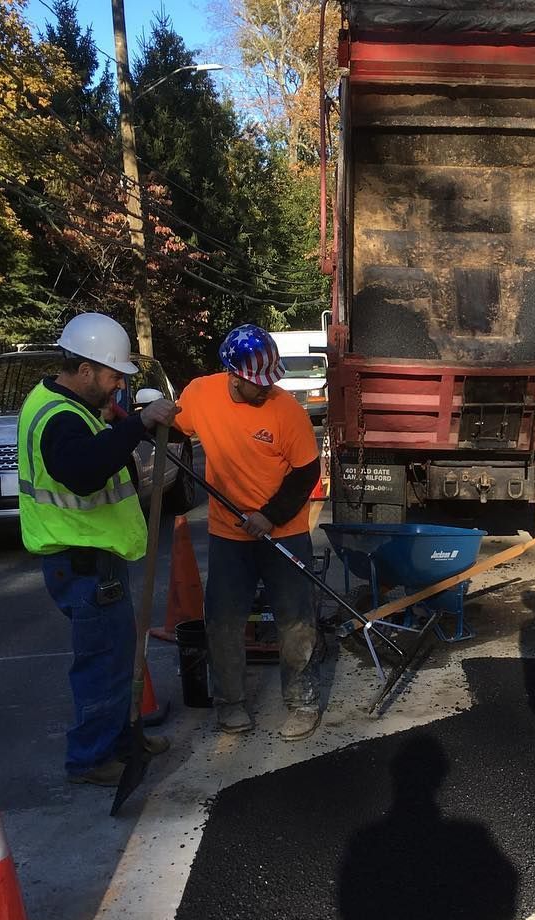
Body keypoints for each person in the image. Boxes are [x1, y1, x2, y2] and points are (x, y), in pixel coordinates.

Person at [18, 312, 178, 786]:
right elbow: (85, 474)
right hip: (83, 563)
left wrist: (116, 424)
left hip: (94, 558)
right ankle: (90, 759)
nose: (118, 386)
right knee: (102, 664)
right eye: (113, 376)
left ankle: (122, 739)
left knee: (117, 656)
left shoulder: (66, 404)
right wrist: (137, 424)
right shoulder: (60, 418)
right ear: (85, 369)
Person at [173, 324, 322, 740]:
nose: (266, 388)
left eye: (270, 380)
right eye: (258, 382)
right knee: (223, 621)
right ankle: (231, 703)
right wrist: (147, 418)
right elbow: (175, 427)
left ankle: (302, 701)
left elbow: (306, 473)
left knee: (295, 619)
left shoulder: (286, 411)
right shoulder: (200, 394)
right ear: (233, 376)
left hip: (284, 532)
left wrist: (269, 516)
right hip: (228, 534)